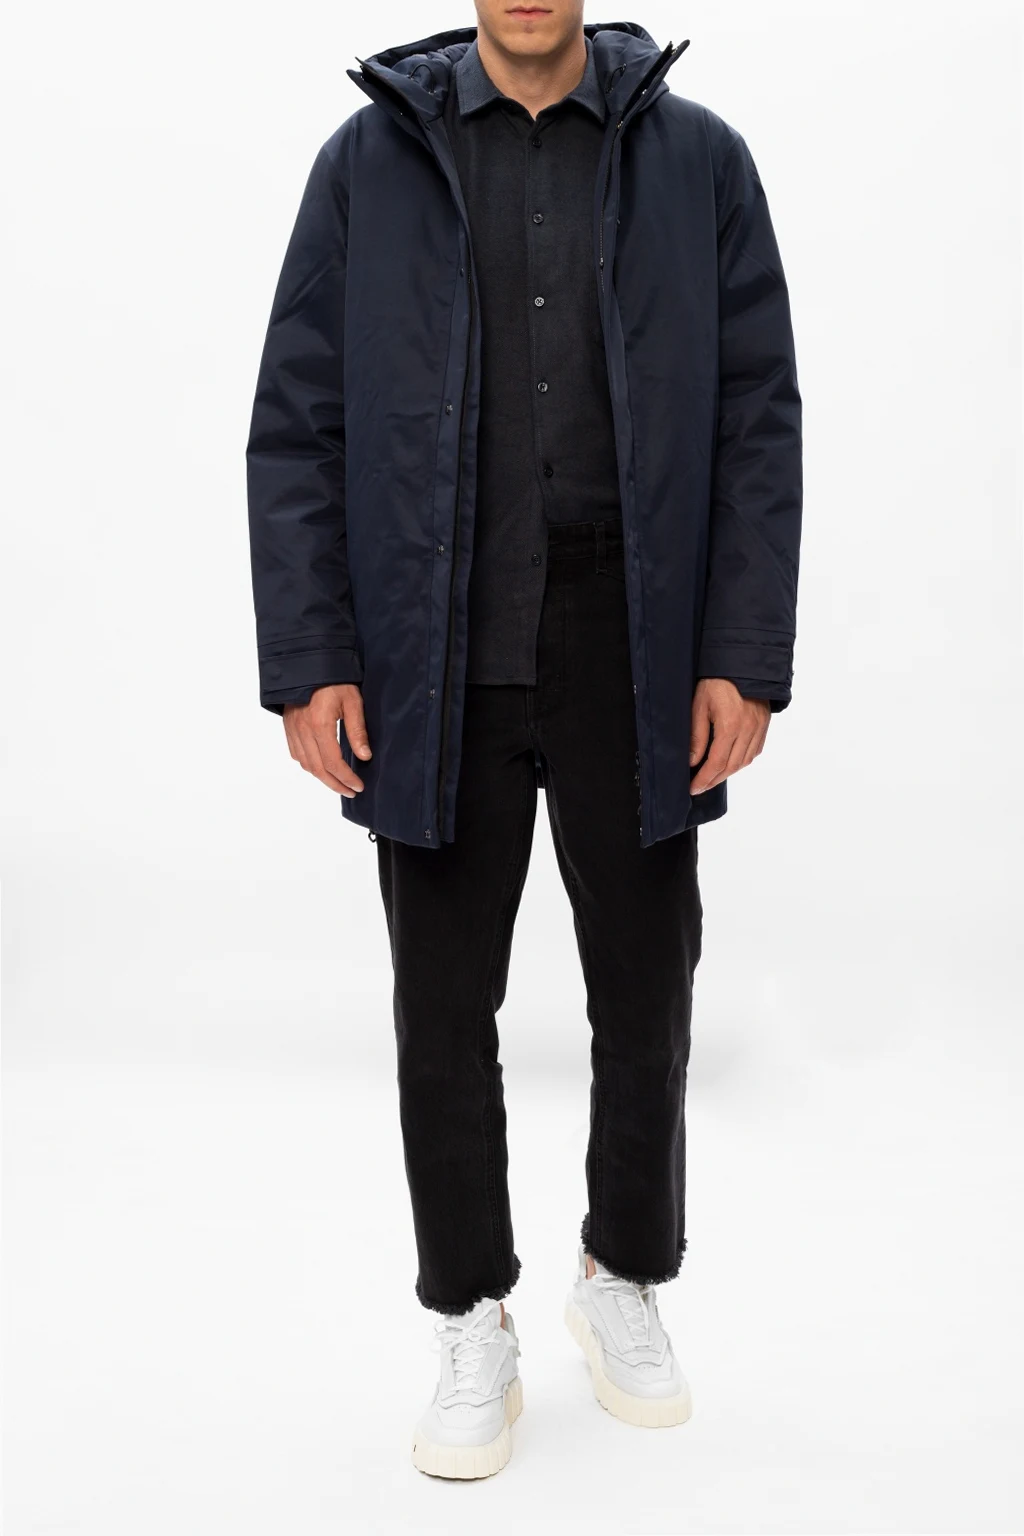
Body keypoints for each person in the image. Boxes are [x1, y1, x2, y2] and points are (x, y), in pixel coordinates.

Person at [246, 2, 802, 1480]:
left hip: (637, 640)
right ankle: (468, 1314)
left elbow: (759, 417)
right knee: (442, 1004)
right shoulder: (367, 163)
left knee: (648, 988)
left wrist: (741, 651)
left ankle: (622, 1275)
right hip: (437, 638)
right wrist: (312, 656)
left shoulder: (701, 162)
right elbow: (298, 421)